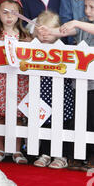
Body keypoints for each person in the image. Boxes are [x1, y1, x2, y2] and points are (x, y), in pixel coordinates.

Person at [38, 0, 94, 170]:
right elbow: (65, 32)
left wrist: (77, 23)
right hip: (79, 83)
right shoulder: (82, 24)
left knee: (93, 120)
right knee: (79, 120)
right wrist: (51, 32)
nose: (87, 11)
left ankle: (92, 156)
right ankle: (77, 155)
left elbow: (80, 27)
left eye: (92, 8)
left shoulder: (83, 24)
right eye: (86, 7)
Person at [0, 0, 30, 165]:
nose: (9, 16)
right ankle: (0, 148)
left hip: (19, 80)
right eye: (5, 12)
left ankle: (16, 149)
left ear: (20, 14)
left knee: (17, 115)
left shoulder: (24, 35)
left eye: (14, 12)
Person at [32, 11, 74, 169]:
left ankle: (61, 155)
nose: (45, 35)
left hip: (62, 95)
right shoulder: (33, 48)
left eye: (49, 30)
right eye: (41, 30)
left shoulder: (64, 49)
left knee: (62, 125)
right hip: (42, 95)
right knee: (44, 124)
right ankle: (45, 153)